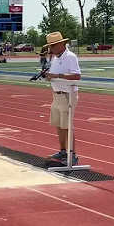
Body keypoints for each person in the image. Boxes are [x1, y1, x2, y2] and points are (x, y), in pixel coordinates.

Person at [43, 31, 82, 166]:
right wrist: (50, 76)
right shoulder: (55, 58)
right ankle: (63, 151)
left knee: (67, 125)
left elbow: (76, 76)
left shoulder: (70, 57)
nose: (51, 49)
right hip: (57, 94)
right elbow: (55, 75)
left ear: (61, 44)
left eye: (53, 46)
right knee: (59, 124)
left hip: (67, 94)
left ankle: (73, 154)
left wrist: (57, 75)